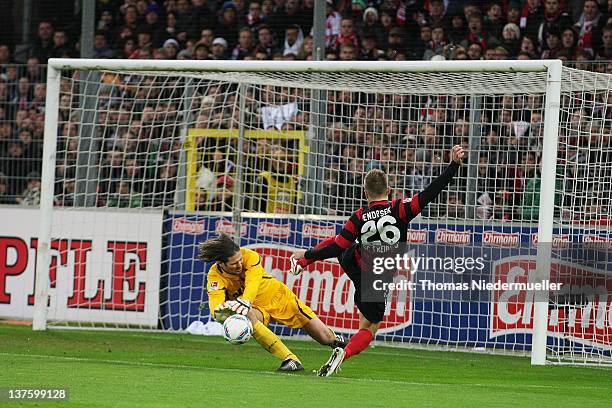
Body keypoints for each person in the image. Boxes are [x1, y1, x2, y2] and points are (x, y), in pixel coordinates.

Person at [290, 145, 465, 377]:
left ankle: (300, 264)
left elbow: (338, 247)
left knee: (342, 240)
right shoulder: (400, 209)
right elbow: (432, 191)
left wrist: (308, 256)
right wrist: (453, 165)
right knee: (370, 328)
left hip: (353, 262)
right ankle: (343, 353)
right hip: (377, 277)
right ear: (389, 190)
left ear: (365, 193)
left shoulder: (359, 216)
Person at [199, 235, 346, 372]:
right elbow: (215, 304)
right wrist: (221, 313)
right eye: (234, 263)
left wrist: (245, 301)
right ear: (221, 263)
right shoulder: (215, 276)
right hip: (256, 309)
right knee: (247, 316)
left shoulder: (250, 256)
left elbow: (253, 282)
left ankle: (337, 341)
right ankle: (291, 360)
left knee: (325, 337)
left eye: (240, 260)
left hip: (280, 298)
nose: (239, 264)